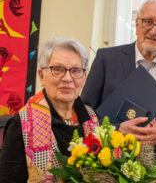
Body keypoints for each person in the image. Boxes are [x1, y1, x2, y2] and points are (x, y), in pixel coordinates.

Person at [81, 0, 156, 183]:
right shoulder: (107, 59)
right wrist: (116, 131)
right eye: (148, 21)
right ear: (137, 23)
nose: (154, 30)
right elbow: (84, 114)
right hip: (108, 169)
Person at [0, 37, 99, 182]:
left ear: (84, 77)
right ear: (42, 76)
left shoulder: (92, 118)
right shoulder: (20, 125)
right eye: (58, 69)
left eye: (76, 70)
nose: (67, 78)